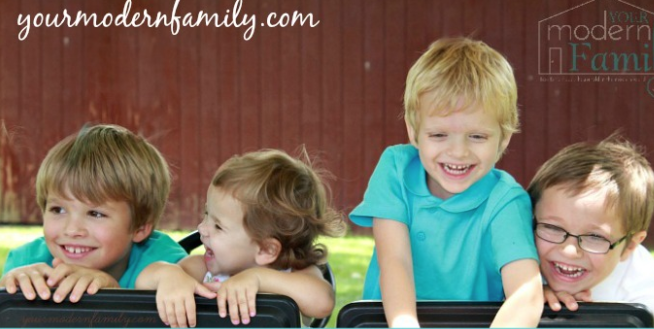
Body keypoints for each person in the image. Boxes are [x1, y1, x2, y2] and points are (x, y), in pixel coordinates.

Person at [349, 37, 543, 327]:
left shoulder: (505, 201)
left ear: (503, 138)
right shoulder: (396, 170)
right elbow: (395, 261)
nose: (458, 152)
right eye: (439, 135)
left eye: (477, 136)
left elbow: (526, 293)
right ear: (413, 131)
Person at [136, 148, 346, 328]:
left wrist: (257, 279)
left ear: (266, 250)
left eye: (218, 225)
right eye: (207, 214)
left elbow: (322, 302)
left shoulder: (294, 275)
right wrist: (170, 276)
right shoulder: (203, 270)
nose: (202, 228)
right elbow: (143, 283)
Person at [0, 124, 187, 303]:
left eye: (95, 214)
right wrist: (10, 298)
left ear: (140, 227)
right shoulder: (26, 263)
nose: (72, 230)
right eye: (58, 209)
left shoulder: (165, 266)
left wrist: (115, 296)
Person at [527, 136, 654, 327]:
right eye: (553, 228)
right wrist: (526, 293)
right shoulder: (510, 264)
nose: (569, 251)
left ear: (630, 245)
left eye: (595, 237)